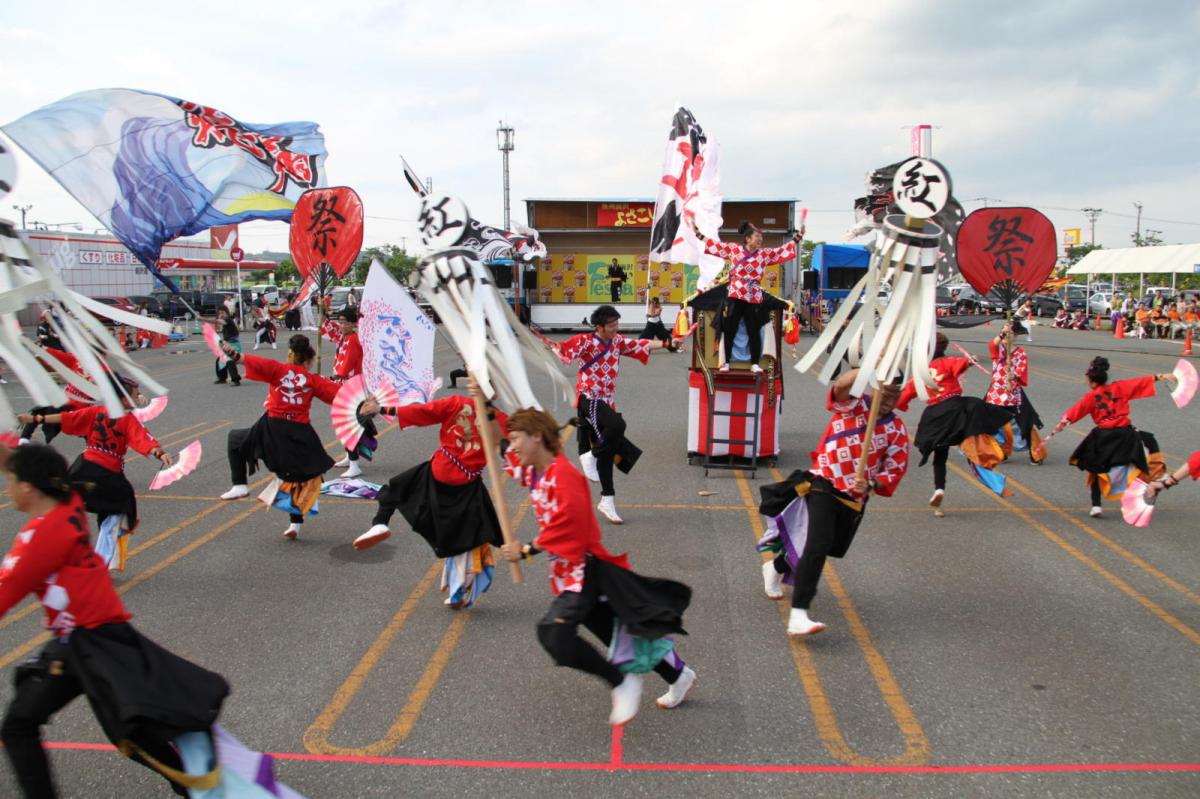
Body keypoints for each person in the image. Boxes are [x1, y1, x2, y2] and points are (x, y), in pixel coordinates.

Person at [0, 444, 228, 799]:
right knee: (28, 721)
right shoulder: (68, 505)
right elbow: (25, 467)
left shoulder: (41, 537)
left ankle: (204, 787)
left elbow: (5, 591)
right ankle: (199, 786)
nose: (7, 487)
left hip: (91, 644)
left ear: (29, 487)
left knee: (133, 734)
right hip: (81, 642)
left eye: (11, 481)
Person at [499, 408, 695, 725]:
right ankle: (679, 674)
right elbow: (499, 445)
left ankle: (621, 682)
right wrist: (483, 397)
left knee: (554, 636)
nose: (513, 447)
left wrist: (524, 550)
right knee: (622, 631)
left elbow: (571, 525)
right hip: (566, 574)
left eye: (517, 439)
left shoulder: (564, 475)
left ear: (537, 435)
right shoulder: (535, 471)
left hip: (583, 570)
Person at [758, 368, 909, 636]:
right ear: (873, 388)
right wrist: (871, 366)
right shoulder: (853, 405)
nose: (887, 402)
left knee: (826, 546)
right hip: (824, 482)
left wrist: (872, 484)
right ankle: (799, 613)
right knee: (817, 545)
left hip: (853, 498)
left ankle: (776, 566)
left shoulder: (897, 429)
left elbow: (895, 469)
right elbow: (840, 386)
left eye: (894, 397)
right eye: (884, 394)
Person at [352, 379, 508, 608]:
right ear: (494, 395)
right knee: (469, 538)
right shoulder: (500, 419)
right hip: (468, 482)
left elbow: (421, 412)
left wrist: (381, 409)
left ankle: (380, 523)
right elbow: (512, 446)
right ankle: (459, 590)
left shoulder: (456, 403)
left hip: (439, 472)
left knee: (393, 490)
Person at [17, 375, 170, 571]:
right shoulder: (127, 419)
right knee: (121, 507)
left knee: (66, 507)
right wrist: (159, 452)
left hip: (83, 469)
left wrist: (36, 419)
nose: (137, 398)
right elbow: (142, 439)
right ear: (123, 399)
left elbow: (66, 418)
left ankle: (41, 544)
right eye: (134, 395)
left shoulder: (97, 411)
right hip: (107, 474)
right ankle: (99, 562)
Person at [555, 305, 678, 524]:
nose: (616, 329)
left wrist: (668, 343)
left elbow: (642, 344)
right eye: (612, 326)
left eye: (617, 324)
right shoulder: (586, 341)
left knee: (608, 451)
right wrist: (556, 347)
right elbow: (565, 349)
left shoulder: (617, 342)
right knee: (618, 426)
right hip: (589, 398)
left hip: (606, 402)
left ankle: (607, 500)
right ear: (599, 327)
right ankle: (589, 456)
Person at [218, 335, 341, 539]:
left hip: (273, 428)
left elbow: (246, 360)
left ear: (291, 356)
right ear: (308, 362)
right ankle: (295, 524)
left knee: (235, 439)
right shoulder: (312, 380)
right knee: (299, 479)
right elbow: (341, 396)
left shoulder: (277, 369)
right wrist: (367, 401)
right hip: (299, 434)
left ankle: (240, 485)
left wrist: (232, 353)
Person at [895, 334, 1012, 517]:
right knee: (975, 429)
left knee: (940, 456)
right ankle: (988, 455)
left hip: (935, 415)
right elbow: (962, 363)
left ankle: (939, 490)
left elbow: (904, 396)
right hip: (956, 409)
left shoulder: (920, 373)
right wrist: (970, 361)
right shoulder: (946, 362)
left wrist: (889, 402)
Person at [1048, 357, 1173, 517]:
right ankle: (1159, 473)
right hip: (1125, 434)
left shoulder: (1091, 397)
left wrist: (1062, 424)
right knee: (1147, 442)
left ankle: (1096, 505)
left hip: (1104, 437)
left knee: (1095, 469)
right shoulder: (1120, 387)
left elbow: (1075, 412)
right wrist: (1160, 376)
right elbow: (1139, 382)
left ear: (1092, 382)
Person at [697, 220, 803, 372]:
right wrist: (698, 233)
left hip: (754, 295)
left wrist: (798, 236)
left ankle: (755, 363)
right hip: (735, 293)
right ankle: (725, 362)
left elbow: (782, 250)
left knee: (754, 330)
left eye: (761, 238)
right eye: (757, 237)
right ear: (747, 238)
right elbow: (715, 245)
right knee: (730, 329)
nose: (760, 240)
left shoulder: (764, 254)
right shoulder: (734, 249)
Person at [984, 321, 1044, 463]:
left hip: (1013, 392)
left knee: (1025, 421)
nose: (1005, 335)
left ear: (1015, 335)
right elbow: (992, 345)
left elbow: (1021, 370)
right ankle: (1000, 451)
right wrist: (1002, 334)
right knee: (991, 422)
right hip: (996, 392)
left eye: (1009, 333)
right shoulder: (999, 348)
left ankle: (1035, 453)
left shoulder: (1020, 352)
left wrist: (1014, 376)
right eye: (1003, 332)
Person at [323, 308, 373, 479]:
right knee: (344, 422)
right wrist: (323, 313)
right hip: (344, 385)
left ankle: (354, 464)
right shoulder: (344, 337)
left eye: (345, 322)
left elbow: (346, 367)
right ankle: (349, 457)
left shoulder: (353, 340)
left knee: (349, 424)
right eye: (340, 322)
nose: (341, 325)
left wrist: (330, 378)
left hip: (352, 386)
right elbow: (329, 332)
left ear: (353, 323)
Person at [213, 308, 242, 386]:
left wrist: (202, 318)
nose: (221, 314)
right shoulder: (224, 322)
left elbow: (219, 322)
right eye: (219, 313)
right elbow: (219, 329)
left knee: (230, 361)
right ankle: (222, 378)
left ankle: (236, 380)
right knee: (220, 360)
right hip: (228, 344)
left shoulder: (228, 320)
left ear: (227, 313)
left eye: (223, 312)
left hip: (234, 345)